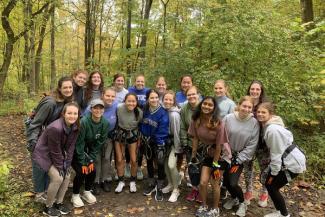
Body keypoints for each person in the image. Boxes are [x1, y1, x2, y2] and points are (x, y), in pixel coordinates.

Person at [26, 76, 74, 204]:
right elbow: (35, 123)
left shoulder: (65, 101)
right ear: (59, 88)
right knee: (40, 165)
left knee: (49, 164)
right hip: (38, 138)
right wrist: (33, 143)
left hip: (50, 137)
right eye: (65, 87)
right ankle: (39, 193)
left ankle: (47, 190)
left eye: (70, 87)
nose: (68, 89)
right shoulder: (50, 103)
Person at [257, 102, 306, 217]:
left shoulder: (273, 130)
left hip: (292, 163)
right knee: (271, 186)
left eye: (263, 112)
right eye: (258, 112)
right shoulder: (270, 125)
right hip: (289, 159)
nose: (260, 114)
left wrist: (273, 173)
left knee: (272, 186)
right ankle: (280, 212)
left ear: (270, 114)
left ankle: (284, 214)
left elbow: (276, 153)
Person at [32, 102, 80, 217]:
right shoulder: (55, 128)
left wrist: (67, 165)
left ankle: (59, 203)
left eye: (75, 113)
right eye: (69, 113)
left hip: (56, 154)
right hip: (44, 154)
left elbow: (71, 147)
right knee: (58, 177)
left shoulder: (76, 126)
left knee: (67, 175)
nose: (72, 116)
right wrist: (60, 167)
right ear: (63, 114)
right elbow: (55, 150)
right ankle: (48, 206)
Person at [189, 96, 229, 217]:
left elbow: (219, 146)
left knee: (214, 182)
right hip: (207, 154)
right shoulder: (196, 120)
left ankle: (215, 209)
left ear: (214, 108)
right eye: (204, 104)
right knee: (202, 182)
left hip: (221, 155)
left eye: (210, 105)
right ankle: (203, 206)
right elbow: (195, 138)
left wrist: (215, 165)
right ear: (201, 104)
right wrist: (193, 155)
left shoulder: (218, 123)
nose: (206, 106)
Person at [222, 96, 259, 217]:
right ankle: (234, 198)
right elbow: (223, 136)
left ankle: (243, 203)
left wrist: (238, 159)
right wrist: (227, 154)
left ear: (252, 109)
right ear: (239, 105)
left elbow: (252, 145)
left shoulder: (254, 123)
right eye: (244, 106)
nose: (246, 109)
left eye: (249, 107)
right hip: (226, 155)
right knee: (226, 182)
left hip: (239, 158)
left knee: (232, 182)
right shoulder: (228, 118)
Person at [71, 99, 109, 208]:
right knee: (81, 171)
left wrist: (91, 159)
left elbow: (99, 143)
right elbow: (79, 143)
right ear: (91, 109)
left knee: (92, 170)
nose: (98, 110)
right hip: (76, 150)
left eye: (100, 108)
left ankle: (86, 192)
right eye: (95, 108)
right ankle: (75, 195)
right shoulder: (84, 122)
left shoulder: (105, 123)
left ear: (103, 110)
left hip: (89, 152)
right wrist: (83, 162)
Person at [84, 88, 118, 194]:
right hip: (94, 138)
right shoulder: (94, 106)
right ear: (103, 95)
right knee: (97, 159)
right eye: (108, 95)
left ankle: (104, 180)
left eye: (113, 96)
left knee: (107, 158)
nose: (110, 98)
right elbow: (86, 122)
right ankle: (96, 181)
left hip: (108, 137)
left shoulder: (116, 106)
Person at [140, 89, 169, 201]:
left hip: (159, 141)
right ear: (148, 99)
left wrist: (158, 142)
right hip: (146, 140)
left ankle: (160, 186)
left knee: (160, 163)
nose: (154, 99)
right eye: (151, 97)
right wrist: (143, 136)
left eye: (156, 97)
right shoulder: (145, 109)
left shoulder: (162, 112)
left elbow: (162, 130)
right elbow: (141, 123)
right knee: (149, 161)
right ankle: (151, 183)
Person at [243, 80, 269, 207]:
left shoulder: (265, 105)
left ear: (261, 91)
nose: (254, 91)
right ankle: (248, 191)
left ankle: (265, 192)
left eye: (257, 89)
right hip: (248, 142)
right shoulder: (246, 103)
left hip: (263, 143)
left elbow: (272, 120)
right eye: (252, 89)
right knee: (247, 168)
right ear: (249, 90)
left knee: (264, 169)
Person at [114, 93, 143, 193]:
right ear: (125, 101)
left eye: (133, 101)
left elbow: (139, 126)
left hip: (133, 135)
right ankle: (121, 181)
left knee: (134, 160)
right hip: (120, 134)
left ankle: (132, 181)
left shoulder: (139, 112)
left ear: (136, 102)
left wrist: (139, 140)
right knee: (119, 159)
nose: (131, 103)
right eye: (129, 101)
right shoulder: (119, 108)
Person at [179, 86, 201, 202]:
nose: (191, 97)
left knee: (202, 169)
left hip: (203, 145)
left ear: (198, 94)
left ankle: (202, 191)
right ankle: (194, 189)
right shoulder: (184, 108)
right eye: (189, 95)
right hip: (189, 142)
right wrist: (184, 142)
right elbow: (182, 126)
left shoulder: (204, 107)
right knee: (192, 168)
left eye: (193, 94)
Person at [128, 74, 150, 180]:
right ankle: (128, 165)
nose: (140, 83)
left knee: (140, 146)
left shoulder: (148, 91)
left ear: (144, 83)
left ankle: (139, 167)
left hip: (144, 121)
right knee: (129, 144)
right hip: (132, 121)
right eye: (138, 81)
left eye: (142, 82)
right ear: (135, 82)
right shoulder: (130, 90)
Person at [162, 90, 182, 202]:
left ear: (174, 101)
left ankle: (176, 189)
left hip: (174, 143)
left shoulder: (174, 114)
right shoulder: (164, 111)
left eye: (170, 99)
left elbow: (176, 132)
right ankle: (170, 184)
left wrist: (177, 148)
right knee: (165, 165)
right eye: (166, 99)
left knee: (171, 165)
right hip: (164, 142)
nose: (168, 101)